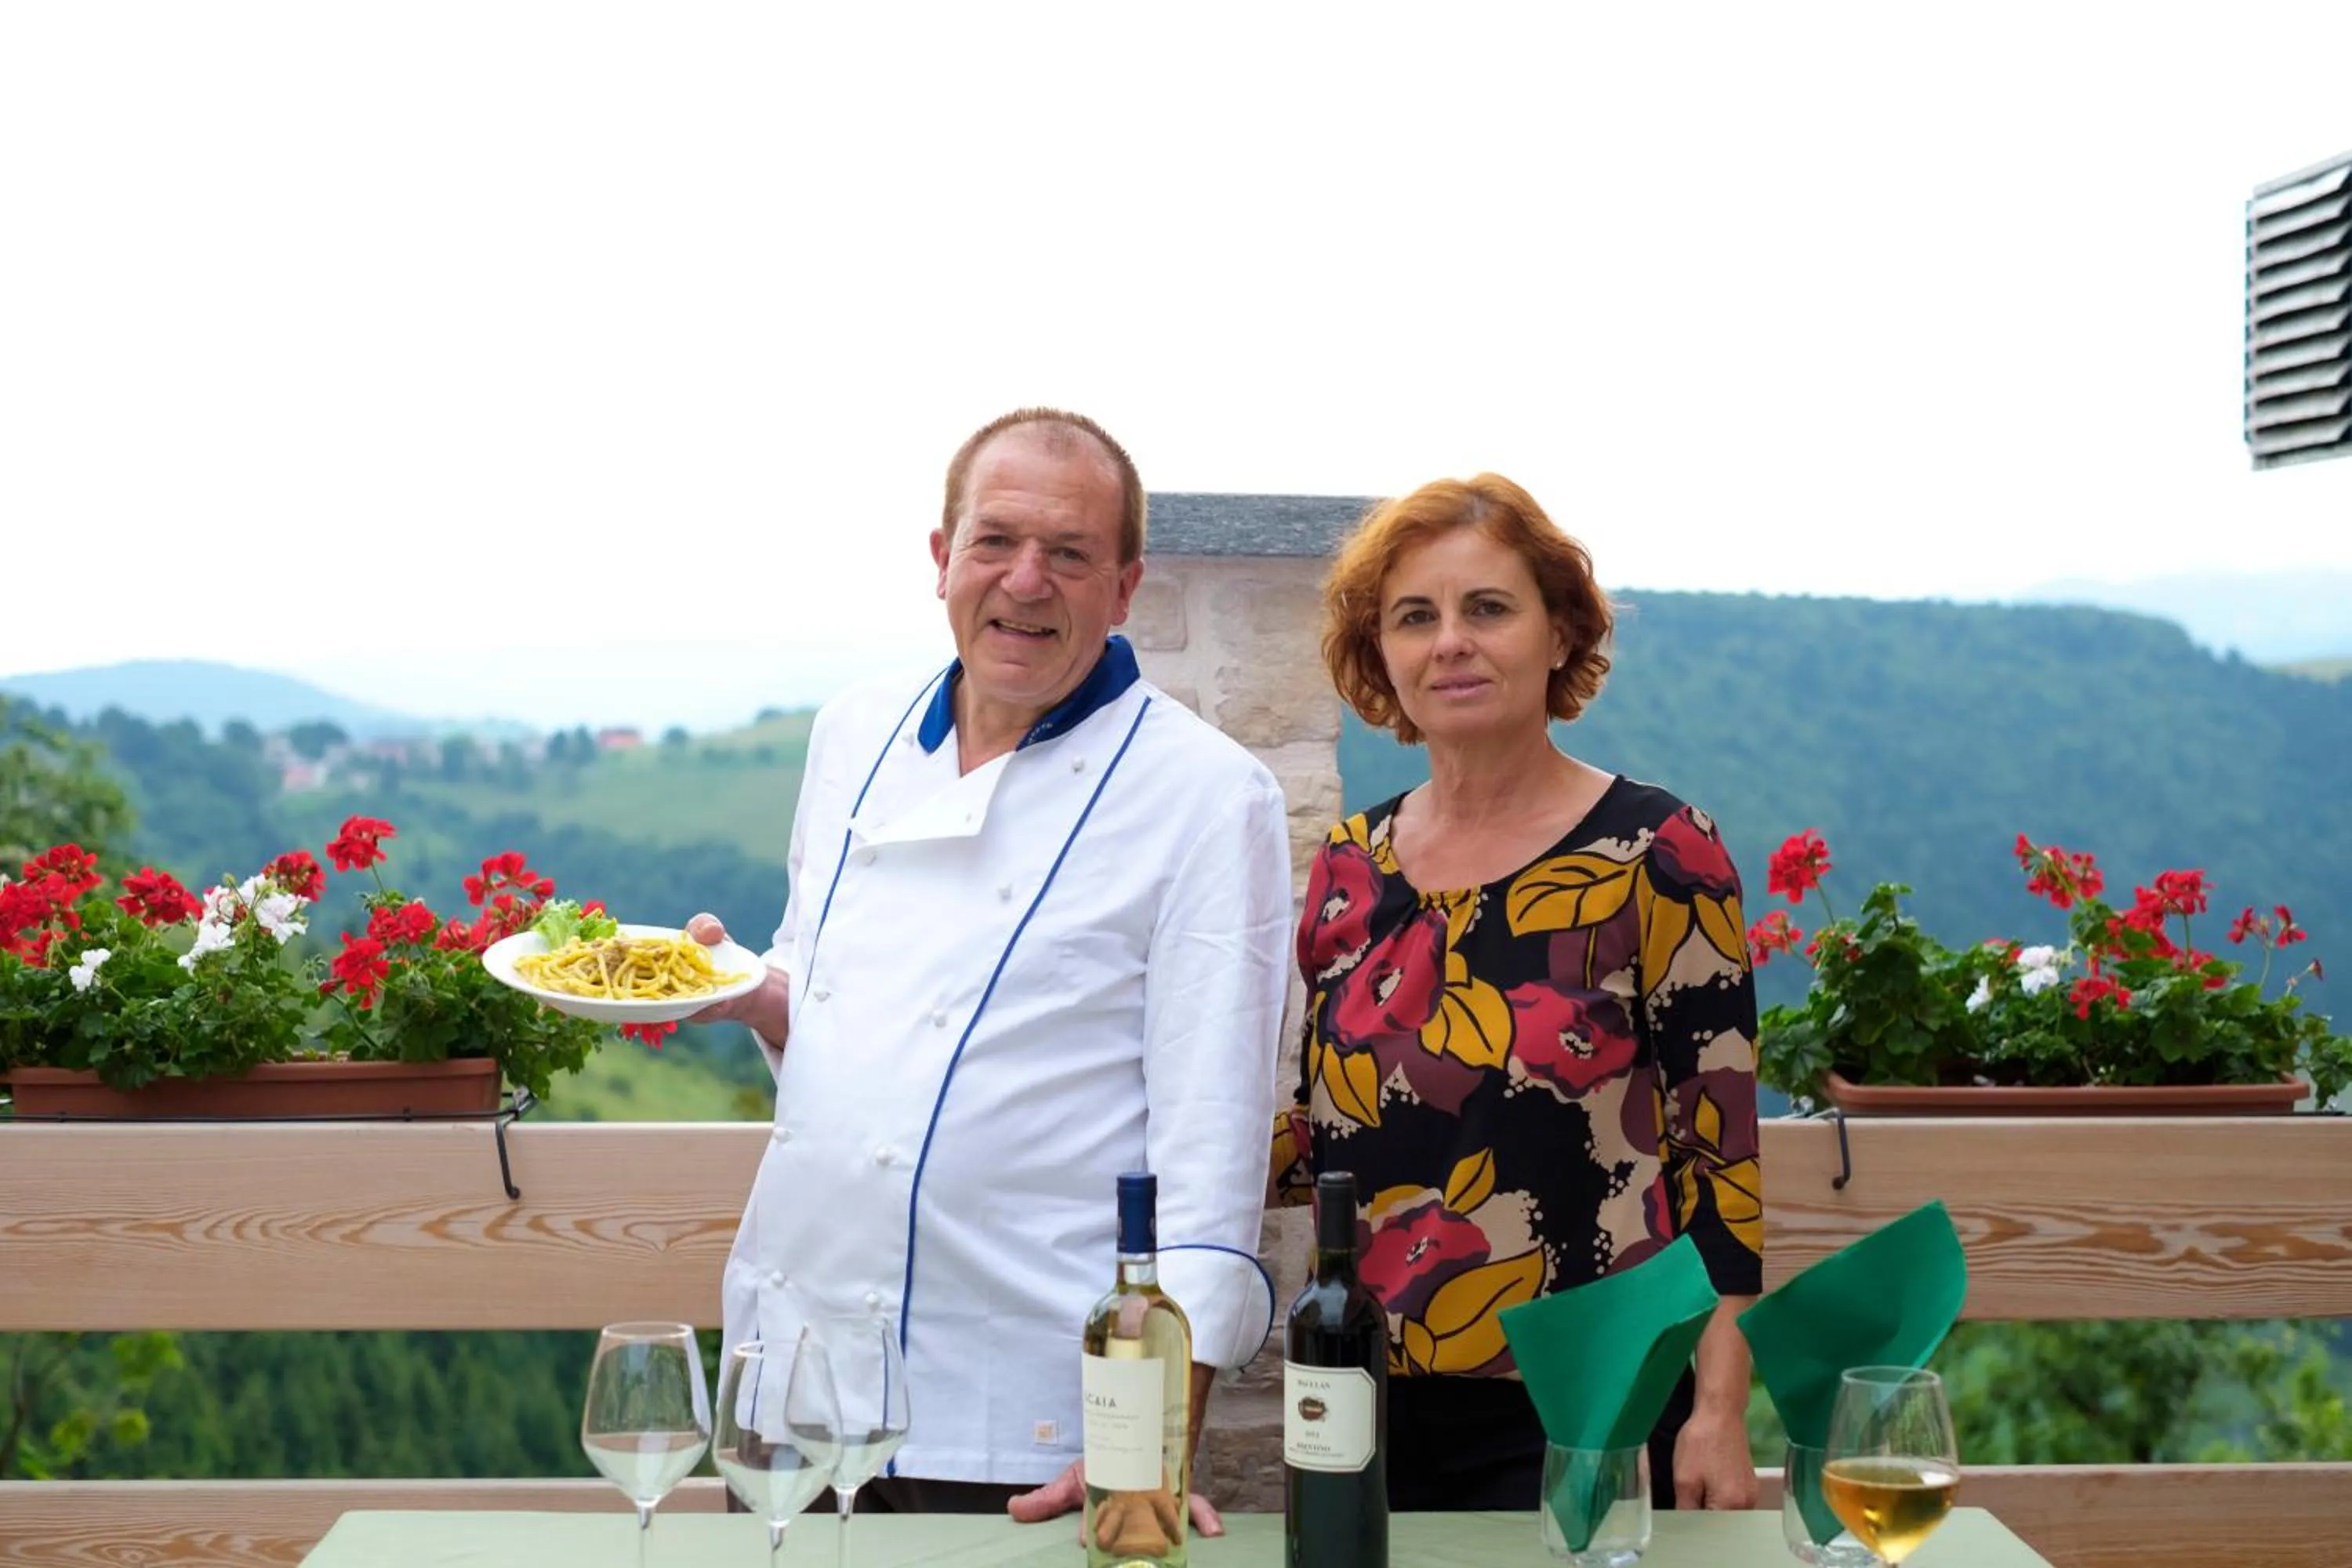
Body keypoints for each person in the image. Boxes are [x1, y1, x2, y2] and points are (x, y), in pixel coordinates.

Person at [684, 408, 1290, 1533]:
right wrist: (760, 996)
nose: (1025, 581)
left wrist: (1153, 1435)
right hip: (794, 1376)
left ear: (1125, 589)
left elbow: (1211, 1148)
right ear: (942, 558)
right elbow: (825, 986)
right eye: (996, 541)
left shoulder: (1210, 797)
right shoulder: (854, 731)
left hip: (1028, 1411)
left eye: (1069, 553)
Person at [1268, 472, 1763, 1513]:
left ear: (1559, 633)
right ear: (1380, 654)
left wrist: (1719, 1410)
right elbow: (1328, 1131)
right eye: (1416, 617)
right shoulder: (1351, 865)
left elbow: (1719, 1159)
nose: (1451, 642)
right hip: (1365, 1399)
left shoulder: (1659, 852)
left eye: (1487, 608)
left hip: (1593, 1402)